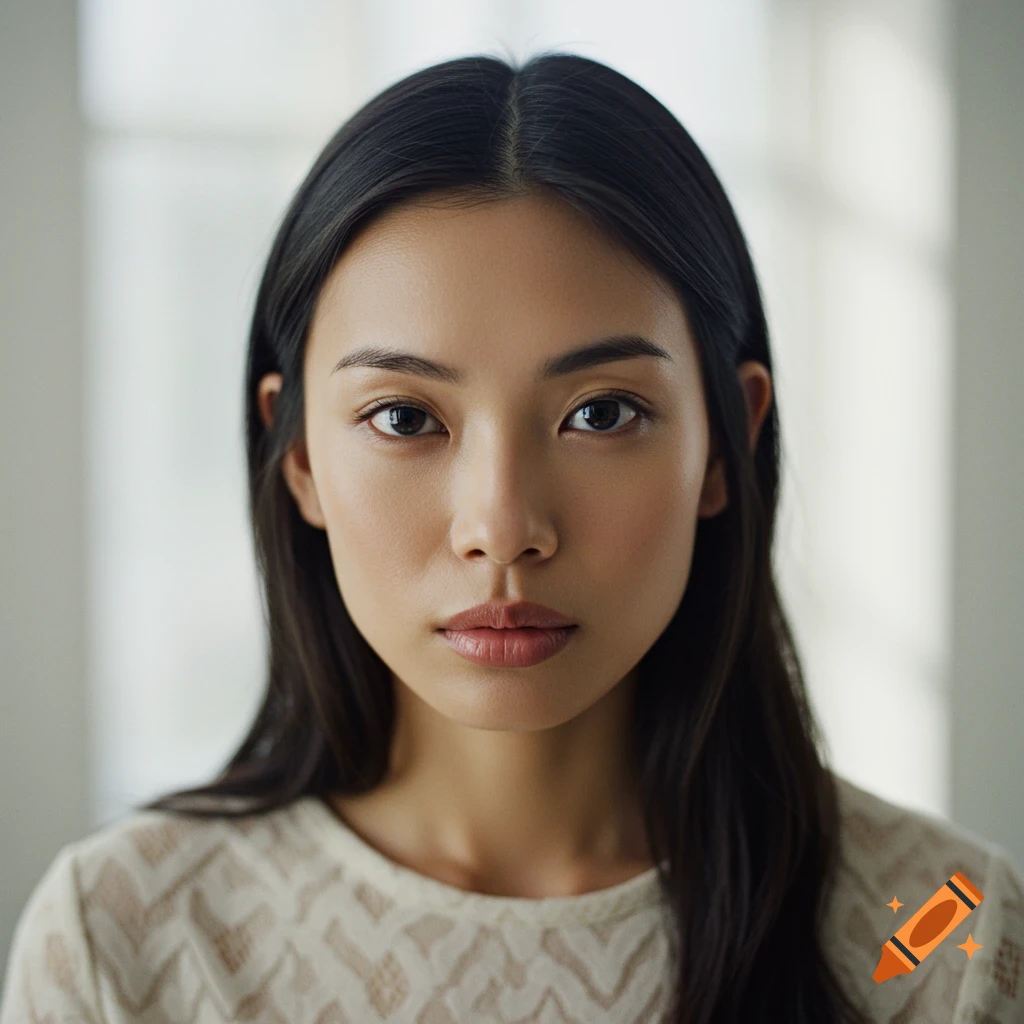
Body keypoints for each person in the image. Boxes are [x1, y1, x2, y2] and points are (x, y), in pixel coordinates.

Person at [4, 51, 1023, 1024]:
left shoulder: (933, 926)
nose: (501, 528)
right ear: (300, 456)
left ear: (726, 441)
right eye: (404, 419)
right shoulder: (128, 938)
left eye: (602, 413)